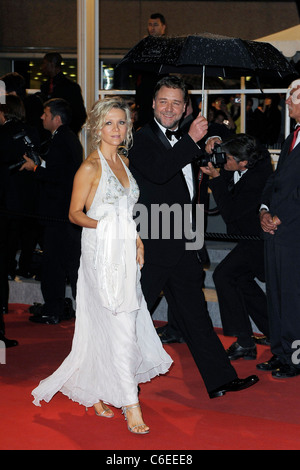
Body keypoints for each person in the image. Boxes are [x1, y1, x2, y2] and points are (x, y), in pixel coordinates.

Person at [31, 97, 173, 435]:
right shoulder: (90, 167)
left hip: (125, 253)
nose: (116, 129)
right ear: (96, 127)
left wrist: (135, 238)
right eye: (109, 123)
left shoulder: (124, 161)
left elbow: (126, 211)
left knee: (109, 324)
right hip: (101, 255)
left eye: (121, 123)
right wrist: (111, 229)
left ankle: (93, 389)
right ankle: (131, 403)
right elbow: (75, 214)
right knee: (122, 326)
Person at [129, 75, 259, 398]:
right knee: (133, 315)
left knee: (196, 315)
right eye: (163, 101)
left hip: (184, 237)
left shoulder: (190, 138)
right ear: (153, 104)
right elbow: (160, 172)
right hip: (155, 239)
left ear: (186, 105)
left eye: (176, 102)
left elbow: (186, 185)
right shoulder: (142, 138)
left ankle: (220, 380)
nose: (170, 108)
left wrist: (203, 153)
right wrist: (191, 141)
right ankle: (114, 379)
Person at [200, 134, 273, 360]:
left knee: (223, 276)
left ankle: (244, 341)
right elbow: (253, 143)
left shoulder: (256, 181)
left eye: (229, 158)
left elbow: (230, 214)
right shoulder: (252, 159)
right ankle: (273, 330)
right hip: (251, 239)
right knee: (240, 280)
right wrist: (217, 139)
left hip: (258, 241)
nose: (224, 161)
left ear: (244, 162)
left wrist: (215, 178)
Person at [20, 98, 83, 324]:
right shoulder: (67, 139)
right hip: (63, 214)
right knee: (65, 265)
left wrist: (35, 168)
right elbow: (62, 170)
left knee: (56, 265)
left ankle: (54, 310)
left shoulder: (62, 140)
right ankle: (60, 308)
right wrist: (42, 164)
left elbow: (60, 177)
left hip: (59, 214)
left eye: (45, 114)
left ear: (56, 118)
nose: (41, 117)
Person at [258, 79, 300, 378]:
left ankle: (294, 358)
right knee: (275, 292)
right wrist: (263, 210)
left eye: (293, 97)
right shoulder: (291, 137)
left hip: (293, 231)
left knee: (293, 296)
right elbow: (273, 181)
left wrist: (280, 217)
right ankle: (279, 351)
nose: (287, 102)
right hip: (275, 230)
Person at [40, 52, 87, 135]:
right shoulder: (44, 86)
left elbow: (80, 115)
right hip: (46, 136)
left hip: (65, 134)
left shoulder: (71, 87)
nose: (42, 67)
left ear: (52, 64)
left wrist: (67, 132)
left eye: (44, 63)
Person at [135, 13, 167, 129]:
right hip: (145, 95)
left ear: (163, 27)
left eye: (155, 25)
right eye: (150, 25)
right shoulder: (143, 45)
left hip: (159, 91)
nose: (152, 28)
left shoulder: (167, 46)